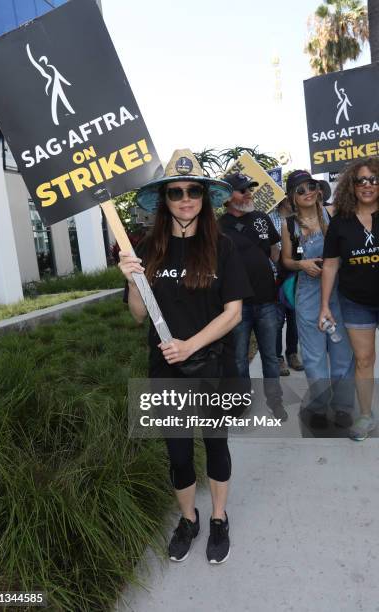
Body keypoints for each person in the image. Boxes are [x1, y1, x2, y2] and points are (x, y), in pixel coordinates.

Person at [119, 150, 252, 564]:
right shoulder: (149, 250)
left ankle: (217, 518)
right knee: (177, 452)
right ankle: (188, 519)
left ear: (205, 197)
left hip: (212, 364)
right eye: (175, 192)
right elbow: (139, 315)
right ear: (165, 200)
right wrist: (131, 281)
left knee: (215, 445)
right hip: (165, 371)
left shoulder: (222, 247)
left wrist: (190, 344)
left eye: (193, 189)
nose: (185, 198)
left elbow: (234, 313)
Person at [281, 170, 354, 430]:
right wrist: (302, 264)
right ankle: (320, 406)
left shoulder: (334, 214)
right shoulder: (288, 224)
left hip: (339, 291)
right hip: (309, 293)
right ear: (292, 197)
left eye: (310, 186)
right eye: (300, 190)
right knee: (313, 357)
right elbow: (286, 260)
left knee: (343, 352)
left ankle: (344, 407)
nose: (307, 192)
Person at [219, 172, 287, 421]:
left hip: (267, 301)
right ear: (227, 197)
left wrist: (279, 271)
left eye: (250, 188)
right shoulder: (218, 227)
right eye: (242, 190)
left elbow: (275, 248)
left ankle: (275, 402)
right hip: (237, 306)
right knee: (239, 360)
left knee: (271, 356)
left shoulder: (261, 218)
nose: (249, 193)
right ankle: (242, 403)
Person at [320, 158, 379, 441]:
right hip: (356, 302)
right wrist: (324, 306)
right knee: (364, 360)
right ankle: (366, 416)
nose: (367, 185)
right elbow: (330, 265)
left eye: (373, 179)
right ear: (351, 187)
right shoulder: (340, 221)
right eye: (361, 181)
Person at [269, 198, 304, 376]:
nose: (293, 202)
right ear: (282, 200)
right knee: (276, 320)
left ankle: (292, 354)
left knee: (294, 318)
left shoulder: (298, 221)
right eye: (290, 199)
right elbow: (269, 249)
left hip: (295, 276)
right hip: (275, 278)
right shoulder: (268, 219)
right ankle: (278, 358)